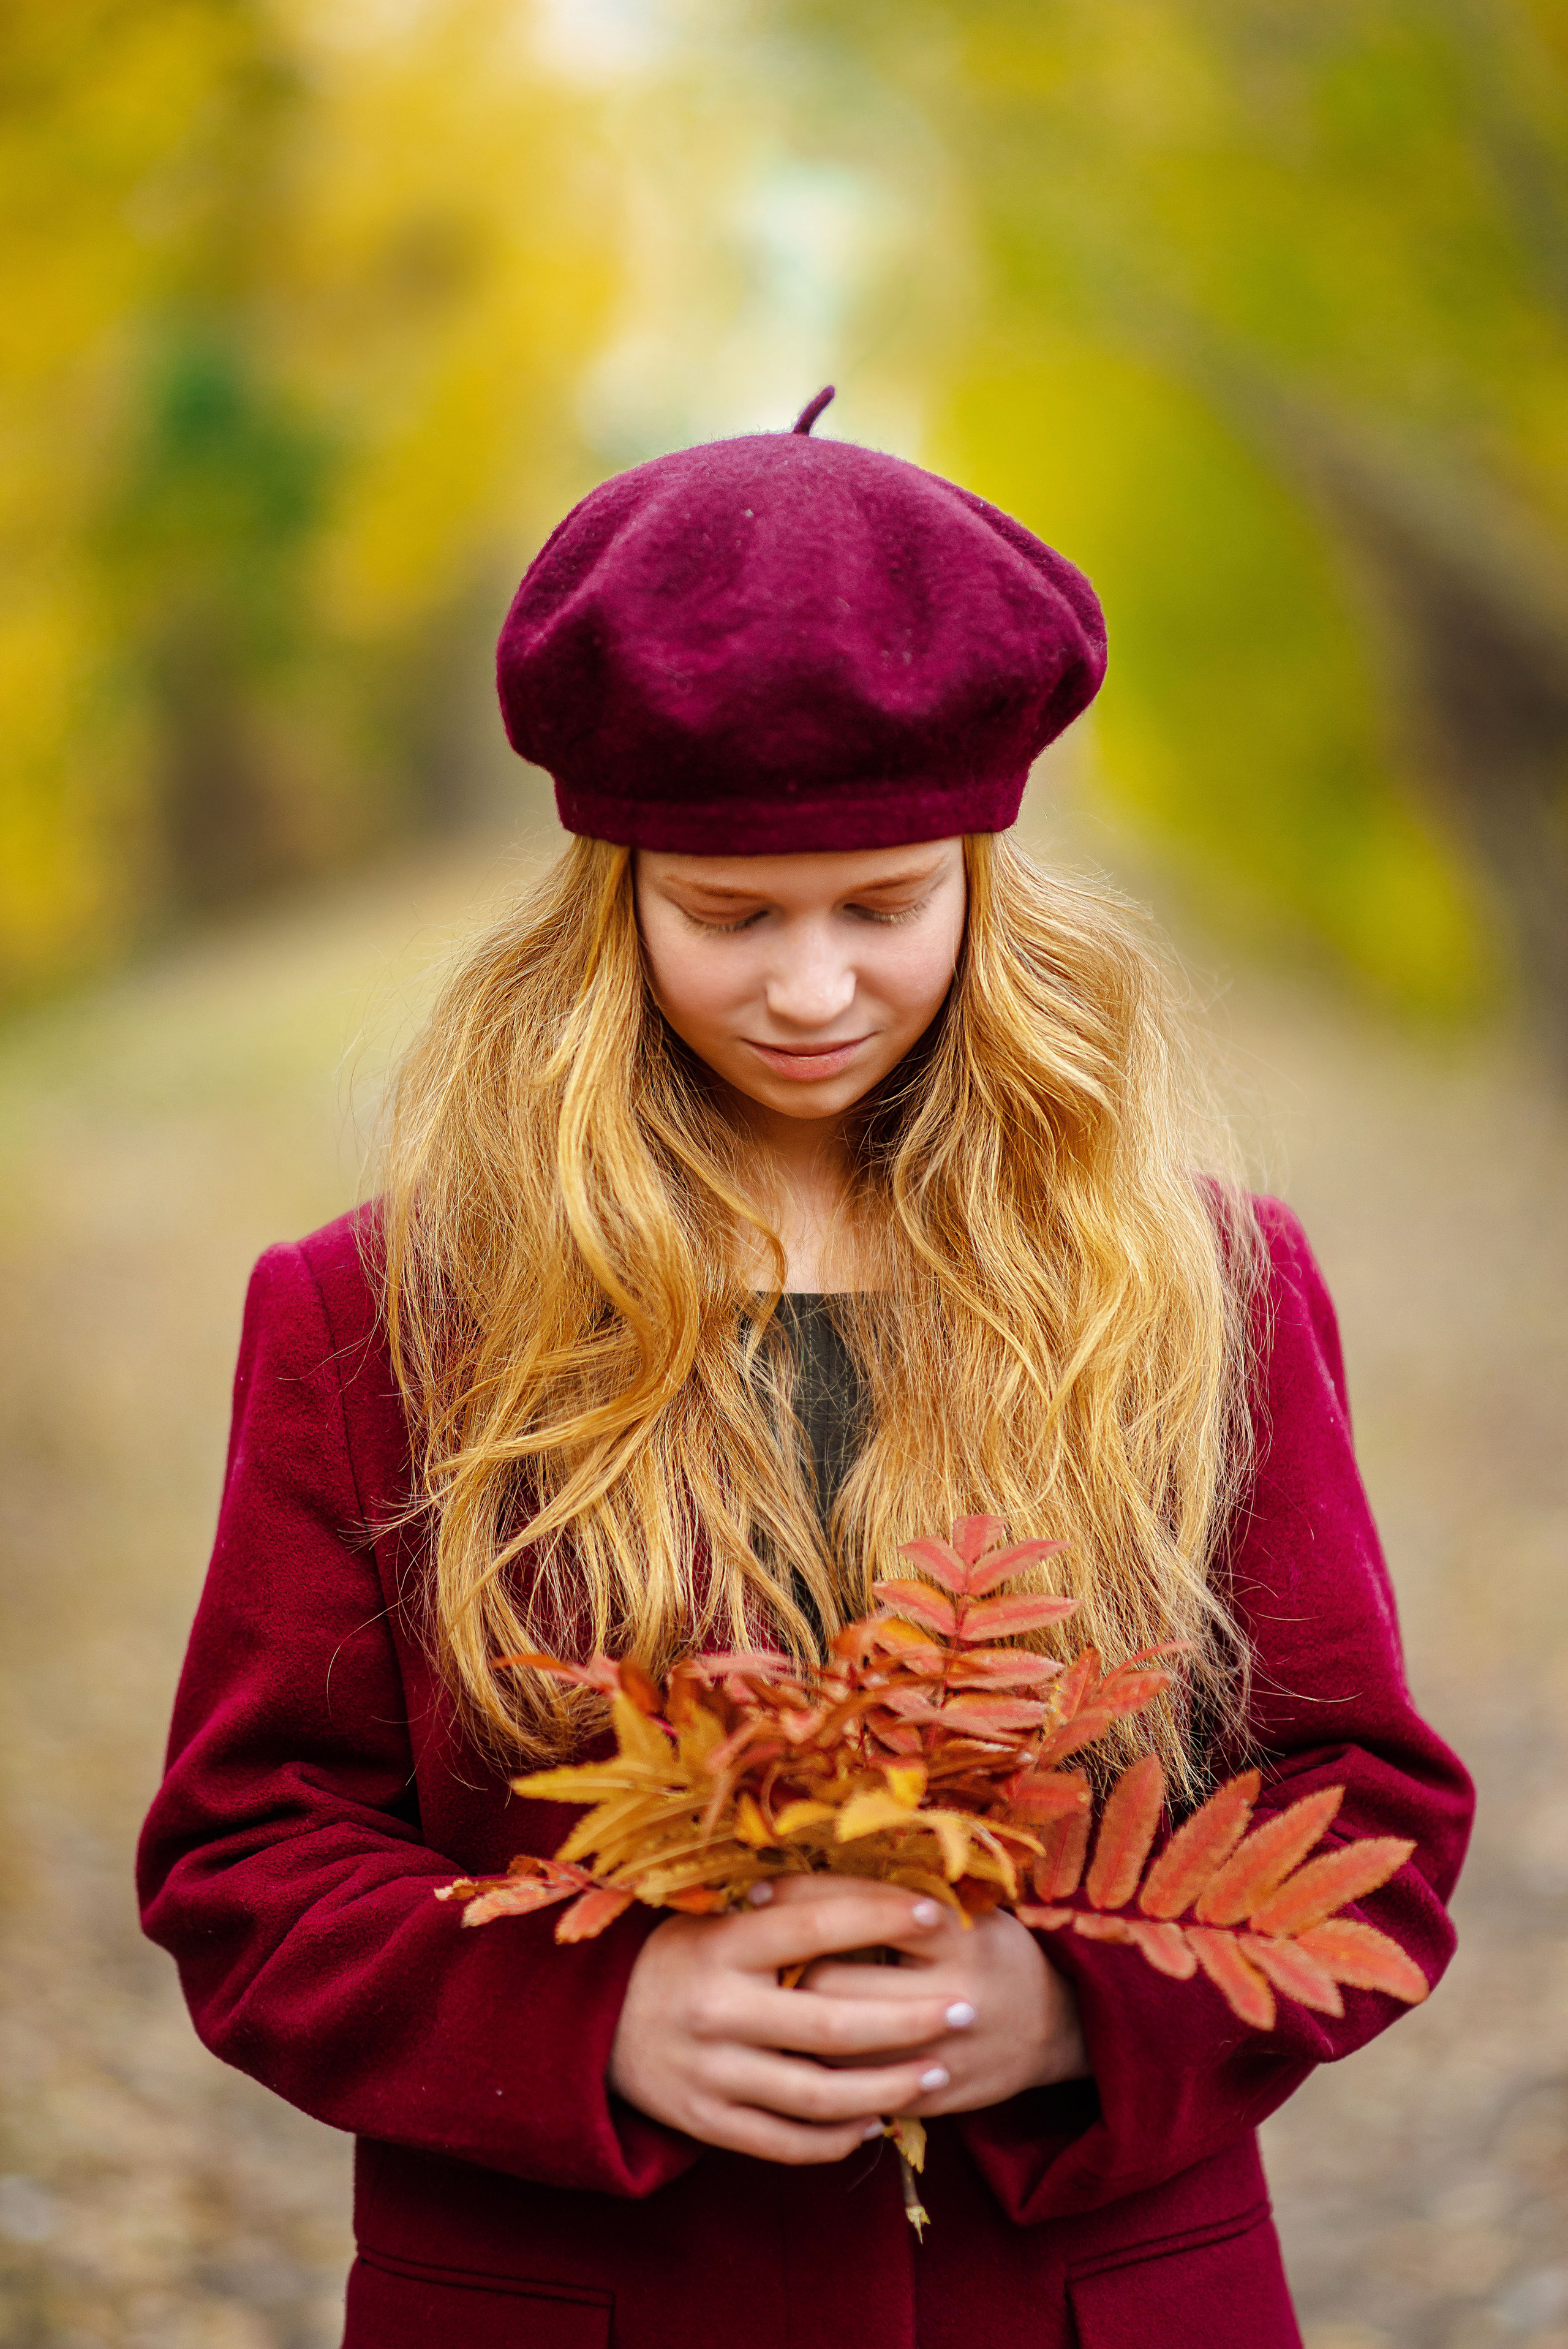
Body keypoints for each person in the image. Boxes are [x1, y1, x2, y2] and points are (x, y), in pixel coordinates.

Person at [138, 393, 1473, 2349]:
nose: (813, 987)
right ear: (609, 908)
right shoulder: (382, 1316)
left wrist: (1076, 2011)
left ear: (985, 887)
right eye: (729, 915)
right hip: (586, 2297)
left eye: (884, 905)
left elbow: (1368, 1814)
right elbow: (245, 1858)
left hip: (1086, 2298)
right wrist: (594, 2023)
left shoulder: (1197, 1288)